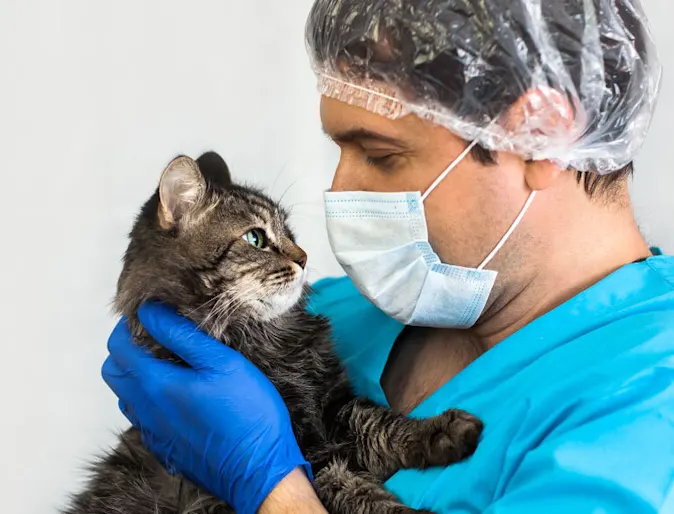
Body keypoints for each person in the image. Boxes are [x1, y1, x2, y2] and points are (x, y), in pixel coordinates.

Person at [102, 0, 674, 512]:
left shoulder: (648, 407)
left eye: (380, 154)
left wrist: (273, 491)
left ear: (541, 134)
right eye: (341, 149)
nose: (340, 190)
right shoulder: (336, 311)